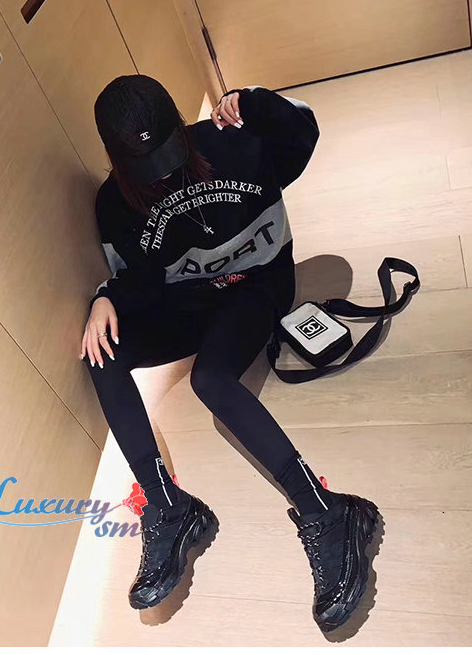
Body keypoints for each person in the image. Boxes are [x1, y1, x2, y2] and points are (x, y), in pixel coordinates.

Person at [80, 74, 380, 633]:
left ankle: (328, 510)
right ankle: (167, 506)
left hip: (257, 287)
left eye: (168, 153)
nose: (162, 174)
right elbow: (143, 280)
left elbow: (304, 137)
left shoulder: (233, 140)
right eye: (145, 166)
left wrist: (255, 104)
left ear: (180, 127)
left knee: (211, 380)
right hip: (190, 306)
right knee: (100, 351)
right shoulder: (114, 203)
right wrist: (107, 299)